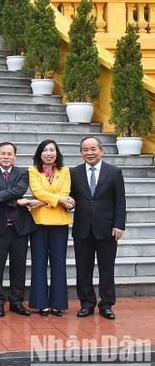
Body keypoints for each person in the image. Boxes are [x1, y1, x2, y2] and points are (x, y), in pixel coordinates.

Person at [71, 136, 126, 320]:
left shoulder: (114, 172)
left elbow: (120, 202)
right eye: (85, 149)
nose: (89, 153)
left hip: (107, 228)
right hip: (82, 229)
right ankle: (87, 304)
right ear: (81, 153)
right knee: (83, 269)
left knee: (106, 269)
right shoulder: (74, 173)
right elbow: (70, 197)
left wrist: (119, 225)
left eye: (93, 149)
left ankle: (106, 304)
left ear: (101, 150)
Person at [0, 142, 37, 318]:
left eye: (9, 154)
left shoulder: (23, 172)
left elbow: (19, 190)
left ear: (15, 157)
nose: (6, 157)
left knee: (18, 266)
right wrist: (16, 200)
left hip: (20, 227)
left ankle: (16, 302)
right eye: (3, 154)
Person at [28, 139, 73, 317]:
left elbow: (65, 192)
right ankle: (40, 304)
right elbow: (37, 191)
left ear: (57, 153)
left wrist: (44, 201)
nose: (48, 153)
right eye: (45, 150)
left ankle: (57, 304)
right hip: (38, 223)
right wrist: (58, 200)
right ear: (40, 153)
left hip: (60, 223)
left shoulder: (65, 171)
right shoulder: (32, 171)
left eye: (52, 150)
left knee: (58, 264)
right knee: (38, 263)